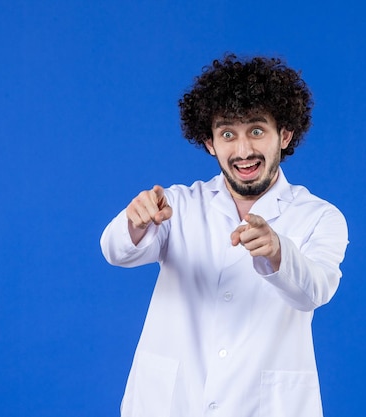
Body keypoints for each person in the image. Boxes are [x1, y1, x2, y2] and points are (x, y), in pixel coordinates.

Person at [100, 54, 349, 417]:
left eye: (257, 131)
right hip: (171, 403)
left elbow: (316, 290)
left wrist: (279, 253)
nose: (243, 150)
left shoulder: (320, 216)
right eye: (228, 134)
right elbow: (115, 251)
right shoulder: (178, 204)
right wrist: (136, 221)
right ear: (209, 143)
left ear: (285, 135)